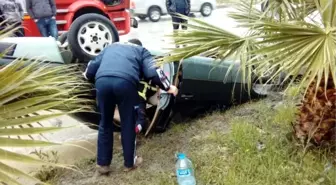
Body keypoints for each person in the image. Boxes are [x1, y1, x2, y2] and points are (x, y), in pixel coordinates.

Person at [83, 38, 178, 174]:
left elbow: (90, 69)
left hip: (102, 82)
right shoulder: (142, 51)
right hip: (125, 83)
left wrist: (90, 77)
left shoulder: (110, 47)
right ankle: (129, 163)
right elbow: (153, 72)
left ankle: (103, 164)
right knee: (128, 123)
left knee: (105, 122)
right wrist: (169, 87)